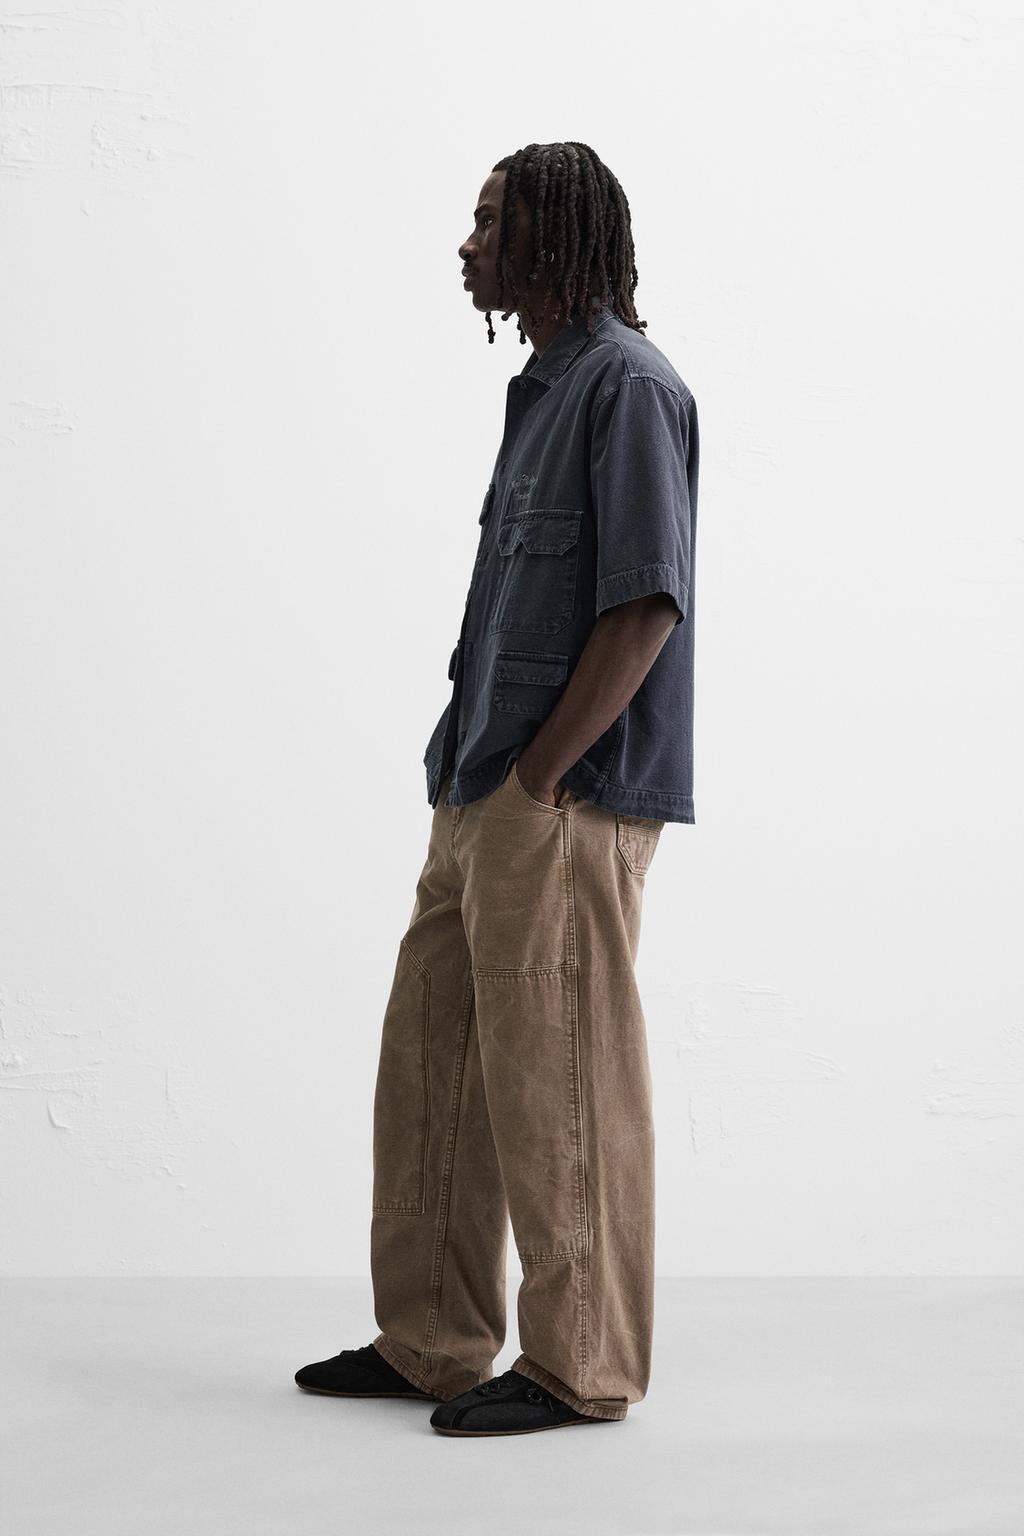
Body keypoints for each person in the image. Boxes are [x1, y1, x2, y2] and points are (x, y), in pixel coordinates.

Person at [295, 141, 699, 1437]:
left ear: (555, 235)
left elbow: (645, 607)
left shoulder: (629, 387)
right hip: (477, 786)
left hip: (560, 801)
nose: (467, 244)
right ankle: (431, 1340)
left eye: (489, 220)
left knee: (560, 1081)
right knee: (438, 1065)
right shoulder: (545, 389)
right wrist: (482, 776)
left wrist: (539, 778)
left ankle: (582, 1366)